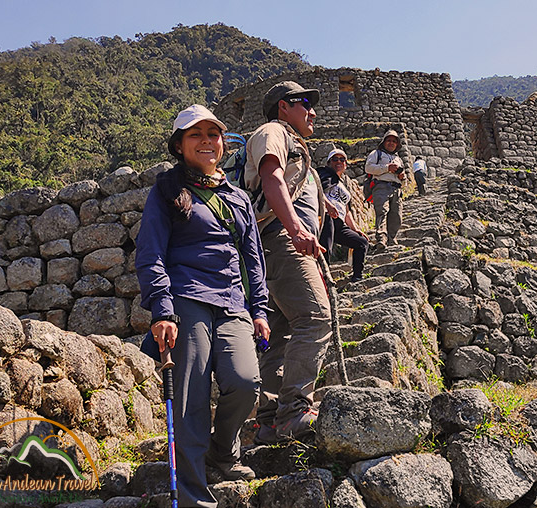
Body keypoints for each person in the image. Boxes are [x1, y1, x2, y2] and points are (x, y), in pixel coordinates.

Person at [136, 104, 270, 507]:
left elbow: (252, 257)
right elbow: (150, 253)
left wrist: (259, 309)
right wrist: (162, 309)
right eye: (196, 135)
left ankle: (222, 451)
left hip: (232, 303)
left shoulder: (237, 197)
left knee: (246, 383)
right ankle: (195, 496)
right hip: (186, 299)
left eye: (213, 134)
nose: (207, 142)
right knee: (191, 398)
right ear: (179, 145)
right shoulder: (166, 191)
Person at [243, 81, 332, 444]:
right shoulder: (273, 131)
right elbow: (271, 176)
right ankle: (294, 409)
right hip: (280, 239)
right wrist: (296, 231)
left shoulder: (298, 148)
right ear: (283, 106)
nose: (312, 111)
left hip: (272, 245)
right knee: (315, 317)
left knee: (279, 332)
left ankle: (268, 421)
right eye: (304, 103)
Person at [318, 148, 369, 282]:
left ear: (346, 164)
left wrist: (355, 228)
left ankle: (357, 277)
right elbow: (315, 189)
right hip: (325, 217)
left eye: (342, 159)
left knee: (361, 242)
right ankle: (324, 279)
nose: (339, 162)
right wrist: (328, 205)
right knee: (325, 248)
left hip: (339, 222)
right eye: (335, 159)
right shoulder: (322, 174)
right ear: (329, 163)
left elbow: (346, 211)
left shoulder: (343, 184)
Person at [365, 130, 405, 250]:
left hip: (396, 189)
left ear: (397, 145)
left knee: (396, 215)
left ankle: (392, 239)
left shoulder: (398, 159)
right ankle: (381, 238)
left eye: (394, 141)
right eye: (389, 140)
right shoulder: (376, 154)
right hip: (381, 186)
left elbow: (404, 178)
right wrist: (387, 168)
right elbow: (368, 168)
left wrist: (402, 177)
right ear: (384, 142)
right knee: (382, 211)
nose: (391, 143)